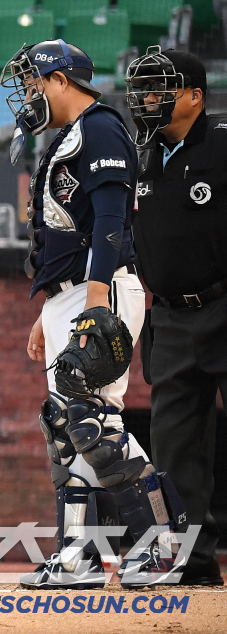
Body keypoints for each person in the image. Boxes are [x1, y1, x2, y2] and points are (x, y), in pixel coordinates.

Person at [6, 39, 186, 588]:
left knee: (91, 422)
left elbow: (111, 223)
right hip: (72, 292)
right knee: (66, 425)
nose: (31, 93)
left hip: (101, 290)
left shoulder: (100, 127)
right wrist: (50, 307)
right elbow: (67, 233)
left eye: (36, 81)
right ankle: (78, 554)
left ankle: (167, 542)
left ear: (61, 79)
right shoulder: (66, 137)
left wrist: (92, 298)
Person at [123, 47, 225, 586]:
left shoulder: (225, 144)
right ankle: (194, 562)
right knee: (174, 447)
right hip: (170, 318)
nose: (146, 100)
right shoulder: (139, 155)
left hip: (225, 305)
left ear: (194, 96)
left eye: (159, 88)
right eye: (141, 89)